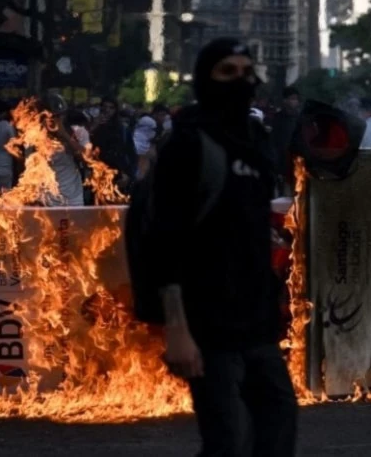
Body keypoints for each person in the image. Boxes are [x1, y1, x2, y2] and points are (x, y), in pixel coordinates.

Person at [152, 38, 297, 455]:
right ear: (205, 80)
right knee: (228, 443)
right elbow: (166, 240)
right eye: (226, 72)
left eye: (246, 72)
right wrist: (177, 330)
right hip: (208, 326)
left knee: (276, 429)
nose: (240, 81)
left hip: (257, 323)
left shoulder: (255, 143)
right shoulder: (188, 145)